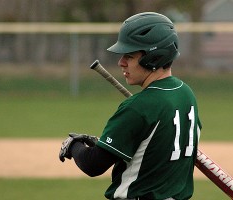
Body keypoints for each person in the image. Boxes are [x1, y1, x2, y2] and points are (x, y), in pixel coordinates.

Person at [59, 12, 202, 200]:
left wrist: (73, 145)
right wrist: (103, 145)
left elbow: (93, 165)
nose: (121, 63)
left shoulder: (138, 107)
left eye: (130, 55)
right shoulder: (185, 93)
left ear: (153, 57)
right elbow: (154, 150)